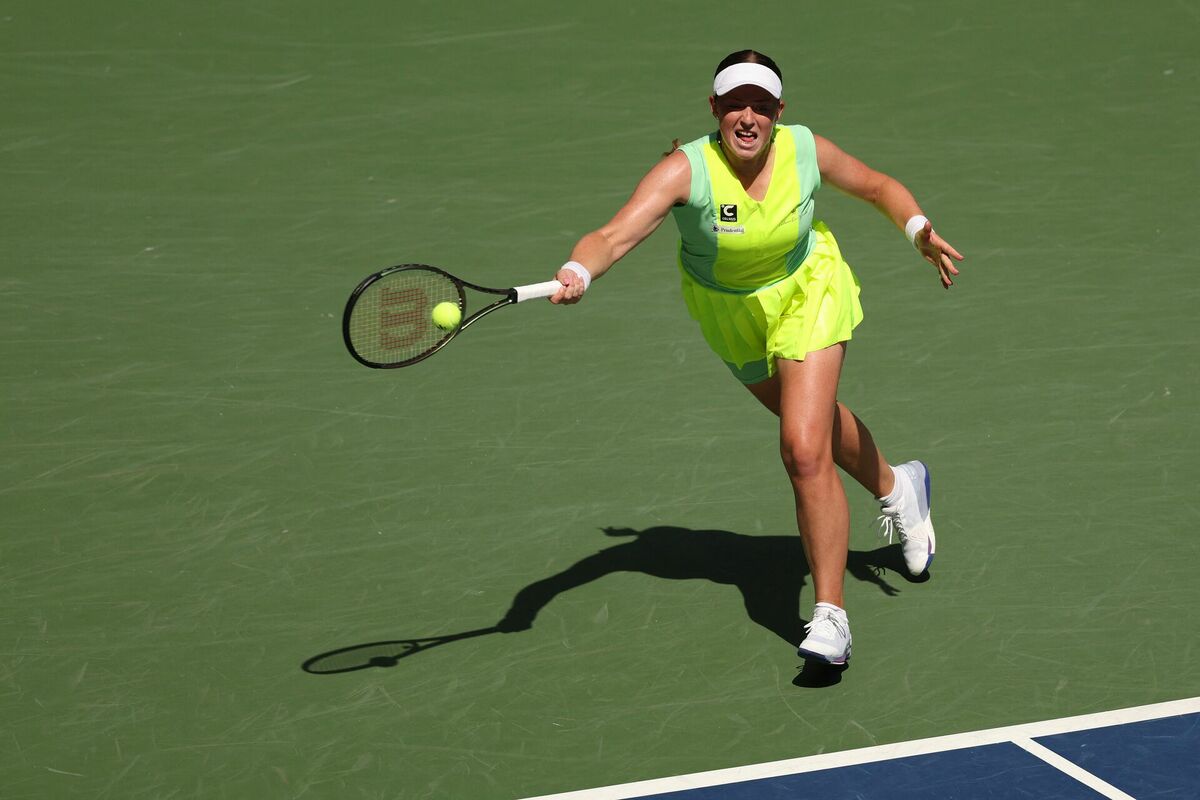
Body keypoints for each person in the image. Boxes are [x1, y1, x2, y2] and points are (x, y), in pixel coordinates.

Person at [544, 50, 964, 666]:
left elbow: (876, 186)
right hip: (731, 314)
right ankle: (900, 487)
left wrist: (917, 228)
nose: (749, 117)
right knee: (811, 425)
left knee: (802, 448)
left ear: (778, 112)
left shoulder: (804, 150)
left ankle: (831, 618)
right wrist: (580, 269)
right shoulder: (684, 170)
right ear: (714, 109)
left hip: (808, 291)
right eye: (736, 104)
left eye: (761, 106)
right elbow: (611, 235)